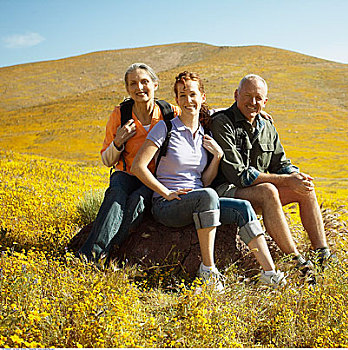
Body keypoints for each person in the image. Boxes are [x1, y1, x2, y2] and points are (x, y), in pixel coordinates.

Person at [131, 71, 286, 290]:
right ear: (176, 100)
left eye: (193, 94)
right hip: (168, 205)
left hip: (200, 201)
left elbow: (204, 181)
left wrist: (218, 157)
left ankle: (270, 274)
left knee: (243, 207)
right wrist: (165, 192)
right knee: (209, 195)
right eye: (182, 96)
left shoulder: (205, 132)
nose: (188, 101)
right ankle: (208, 270)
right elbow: (138, 166)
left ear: (202, 97)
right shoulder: (165, 128)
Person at [210, 74, 333, 277]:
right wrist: (286, 180)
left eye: (258, 98)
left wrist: (296, 176)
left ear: (265, 102)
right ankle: (296, 262)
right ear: (236, 95)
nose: (253, 102)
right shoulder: (222, 122)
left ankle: (322, 254)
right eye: (247, 95)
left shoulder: (267, 126)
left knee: (305, 189)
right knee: (268, 190)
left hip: (256, 191)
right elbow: (239, 175)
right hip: (227, 191)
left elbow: (281, 163)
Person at [78, 63, 181, 261]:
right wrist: (118, 140)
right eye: (133, 83)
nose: (139, 87)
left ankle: (109, 252)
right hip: (125, 174)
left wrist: (257, 115)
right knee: (116, 193)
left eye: (144, 82)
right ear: (127, 89)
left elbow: (197, 114)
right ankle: (91, 256)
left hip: (154, 179)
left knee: (138, 202)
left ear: (155, 85)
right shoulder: (120, 114)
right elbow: (107, 160)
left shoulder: (169, 113)